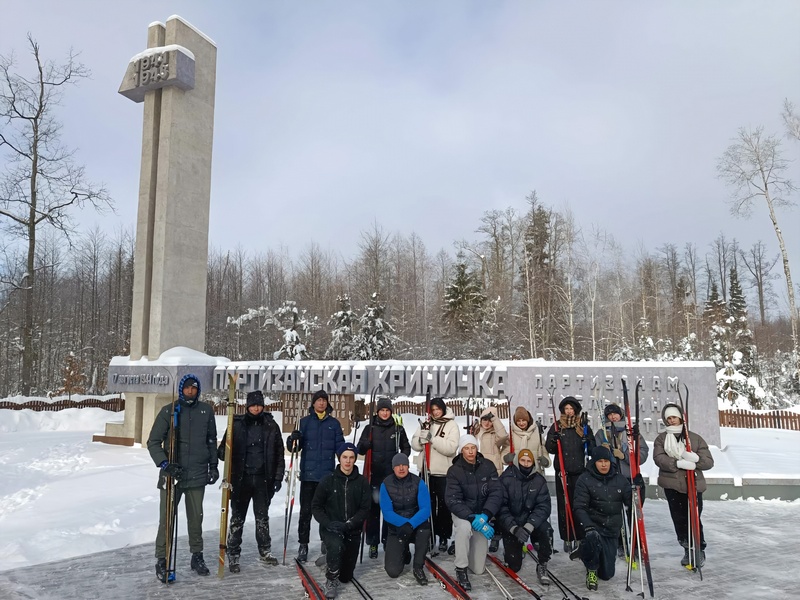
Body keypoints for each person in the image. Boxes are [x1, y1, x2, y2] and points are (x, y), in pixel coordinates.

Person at [147, 374, 218, 581]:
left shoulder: (206, 411)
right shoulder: (169, 411)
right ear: (181, 389)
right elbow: (153, 442)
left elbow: (211, 440)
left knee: (196, 519)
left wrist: (213, 466)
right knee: (167, 519)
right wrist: (165, 464)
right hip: (172, 475)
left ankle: (197, 556)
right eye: (187, 388)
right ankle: (162, 558)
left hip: (197, 473)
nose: (190, 391)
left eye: (194, 388)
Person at [217, 390, 285, 572]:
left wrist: (278, 477)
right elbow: (223, 452)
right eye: (253, 405)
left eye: (259, 405)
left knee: (262, 518)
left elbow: (279, 454)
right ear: (247, 406)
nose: (256, 408)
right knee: (237, 518)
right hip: (241, 479)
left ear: (263, 406)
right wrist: (224, 451)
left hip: (263, 479)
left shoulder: (271, 425)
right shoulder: (236, 425)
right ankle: (233, 553)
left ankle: (265, 551)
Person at [286, 389, 345, 563]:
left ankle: (326, 542)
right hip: (308, 475)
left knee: (326, 512)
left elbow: (340, 447)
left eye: (324, 400)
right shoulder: (304, 422)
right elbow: (294, 448)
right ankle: (303, 544)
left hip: (327, 476)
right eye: (318, 400)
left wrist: (347, 456)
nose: (321, 403)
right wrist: (293, 438)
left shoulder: (334, 424)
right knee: (306, 512)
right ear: (313, 403)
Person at [573, 446, 642, 591]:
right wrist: (588, 526)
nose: (604, 464)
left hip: (612, 529)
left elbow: (634, 504)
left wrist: (639, 489)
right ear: (594, 462)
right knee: (592, 540)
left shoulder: (620, 479)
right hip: (593, 527)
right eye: (600, 461)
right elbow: (579, 507)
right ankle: (591, 568)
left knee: (606, 574)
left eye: (606, 461)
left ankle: (590, 554)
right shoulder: (585, 479)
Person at [653, 403, 714, 568]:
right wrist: (677, 463)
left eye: (674, 417)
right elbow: (659, 458)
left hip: (693, 484)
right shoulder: (662, 439)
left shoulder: (694, 438)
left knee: (694, 517)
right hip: (672, 485)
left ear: (681, 417)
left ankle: (699, 548)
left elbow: (708, 461)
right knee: (679, 518)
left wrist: (696, 460)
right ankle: (687, 548)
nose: (671, 420)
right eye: (668, 418)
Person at [311, 442, 371, 599]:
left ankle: (330, 557)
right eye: (345, 457)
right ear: (339, 458)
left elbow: (365, 509)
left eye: (351, 457)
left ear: (355, 459)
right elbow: (316, 507)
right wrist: (327, 523)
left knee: (346, 577)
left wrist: (350, 523)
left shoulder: (362, 482)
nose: (348, 461)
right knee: (336, 545)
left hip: (352, 528)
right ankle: (331, 579)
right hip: (331, 528)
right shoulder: (328, 480)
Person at [445, 434, 503, 592]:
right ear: (461, 450)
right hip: (463, 514)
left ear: (477, 449)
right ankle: (461, 568)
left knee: (478, 569)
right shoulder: (454, 471)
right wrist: (471, 517)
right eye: (466, 448)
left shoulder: (488, 466)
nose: (470, 451)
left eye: (473, 448)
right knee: (464, 529)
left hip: (482, 514)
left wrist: (485, 515)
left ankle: (463, 548)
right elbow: (452, 500)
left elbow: (496, 493)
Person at [357, 396, 411, 559]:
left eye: (388, 410)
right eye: (382, 410)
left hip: (391, 477)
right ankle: (373, 543)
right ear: (378, 412)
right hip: (374, 475)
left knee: (390, 511)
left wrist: (401, 460)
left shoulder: (398, 429)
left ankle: (388, 541)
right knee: (373, 511)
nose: (385, 413)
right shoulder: (370, 428)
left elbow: (406, 448)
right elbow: (359, 449)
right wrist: (365, 445)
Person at [595, 402, 649, 557]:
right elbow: (596, 456)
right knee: (614, 515)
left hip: (630, 478)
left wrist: (624, 455)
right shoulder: (602, 433)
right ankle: (620, 544)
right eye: (609, 414)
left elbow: (642, 454)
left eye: (615, 414)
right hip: (611, 480)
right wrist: (603, 452)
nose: (613, 417)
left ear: (621, 415)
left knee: (634, 514)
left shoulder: (631, 432)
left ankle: (636, 545)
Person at [545, 396, 595, 552]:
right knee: (564, 505)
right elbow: (550, 448)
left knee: (580, 505)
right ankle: (567, 537)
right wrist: (553, 440)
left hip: (580, 472)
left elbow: (592, 450)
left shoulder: (583, 426)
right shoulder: (557, 426)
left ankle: (580, 536)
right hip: (563, 472)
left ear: (576, 410)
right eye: (566, 409)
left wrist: (588, 441)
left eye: (571, 409)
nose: (568, 411)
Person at [496, 449, 553, 585]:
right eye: (522, 460)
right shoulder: (506, 478)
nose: (526, 464)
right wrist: (514, 528)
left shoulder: (539, 480)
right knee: (514, 567)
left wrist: (529, 526)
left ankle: (543, 563)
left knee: (546, 530)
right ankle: (512, 551)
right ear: (517, 461)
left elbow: (544, 507)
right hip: (513, 523)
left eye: (529, 461)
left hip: (532, 522)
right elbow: (501, 507)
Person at [411, 396, 459, 554]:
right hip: (426, 471)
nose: (436, 412)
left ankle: (444, 536)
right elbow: (415, 444)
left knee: (444, 506)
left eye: (438, 409)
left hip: (444, 472)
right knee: (427, 506)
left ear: (443, 409)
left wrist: (432, 439)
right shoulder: (427, 422)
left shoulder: (451, 425)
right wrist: (422, 438)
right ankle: (429, 535)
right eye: (433, 410)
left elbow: (451, 448)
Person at [379, 453, 431, 586]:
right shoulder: (386, 484)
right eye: (398, 465)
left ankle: (418, 567)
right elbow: (387, 512)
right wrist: (404, 524)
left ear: (408, 466)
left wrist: (411, 524)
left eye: (404, 465)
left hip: (416, 525)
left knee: (424, 530)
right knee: (393, 571)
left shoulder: (418, 482)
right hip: (397, 528)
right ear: (393, 468)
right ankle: (403, 550)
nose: (401, 468)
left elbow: (425, 509)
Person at [471, 406, 509, 552]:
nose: (486, 423)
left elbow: (504, 437)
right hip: (477, 472)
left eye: (490, 420)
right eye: (484, 419)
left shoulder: (496, 434)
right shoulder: (476, 432)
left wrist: (494, 418)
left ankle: (495, 536)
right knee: (479, 504)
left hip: (493, 471)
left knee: (494, 504)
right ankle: (478, 532)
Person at [505, 406, 551, 475]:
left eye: (523, 420)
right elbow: (505, 450)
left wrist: (546, 461)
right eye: (518, 421)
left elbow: (543, 450)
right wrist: (506, 458)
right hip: (516, 474)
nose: (521, 423)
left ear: (528, 420)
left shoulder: (537, 433)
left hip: (535, 473)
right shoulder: (511, 435)